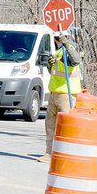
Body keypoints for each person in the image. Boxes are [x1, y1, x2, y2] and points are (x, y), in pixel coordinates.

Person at [38, 31, 82, 163]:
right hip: (54, 94)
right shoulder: (57, 53)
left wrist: (66, 44)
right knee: (50, 125)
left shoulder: (69, 50)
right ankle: (49, 153)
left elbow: (76, 60)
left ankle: (69, 153)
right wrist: (49, 65)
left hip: (66, 95)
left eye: (58, 38)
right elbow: (54, 72)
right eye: (56, 38)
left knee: (67, 126)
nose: (56, 40)